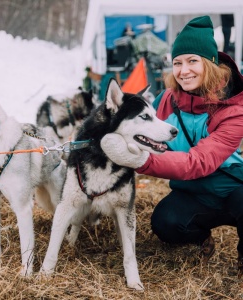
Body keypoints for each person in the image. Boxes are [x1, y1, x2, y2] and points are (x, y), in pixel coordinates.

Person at [100, 16, 243, 277]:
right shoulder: (168, 98)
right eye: (177, 62)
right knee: (164, 224)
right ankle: (202, 238)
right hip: (192, 192)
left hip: (231, 187)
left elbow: (198, 162)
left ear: (210, 64)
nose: (183, 70)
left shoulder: (234, 110)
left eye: (192, 61)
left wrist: (141, 162)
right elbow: (142, 134)